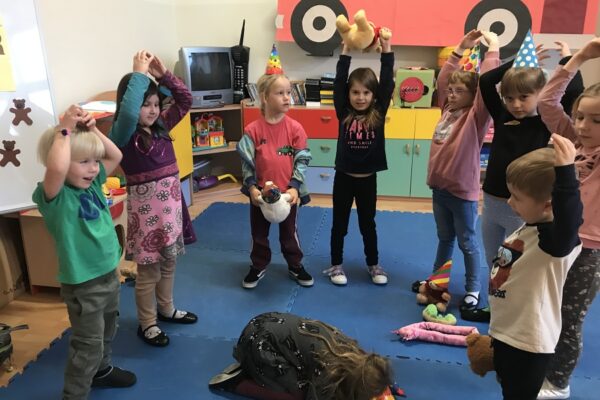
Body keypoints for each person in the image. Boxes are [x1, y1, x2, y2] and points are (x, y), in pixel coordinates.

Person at [465, 40, 584, 321]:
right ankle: (496, 306)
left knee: (519, 263)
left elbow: (573, 92)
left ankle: (516, 310)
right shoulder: (502, 114)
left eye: (524, 97)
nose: (515, 104)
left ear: (540, 94)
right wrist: (514, 63)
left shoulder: (546, 120)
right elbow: (486, 81)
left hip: (525, 207)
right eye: (509, 98)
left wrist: (569, 59)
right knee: (495, 259)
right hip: (493, 201)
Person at [33, 105, 136, 399]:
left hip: (109, 274)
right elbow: (56, 169)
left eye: (95, 161)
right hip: (84, 284)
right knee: (87, 343)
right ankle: (74, 394)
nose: (93, 168)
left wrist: (92, 131)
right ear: (63, 160)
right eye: (83, 162)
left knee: (108, 329)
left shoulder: (91, 185)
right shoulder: (56, 196)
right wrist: (64, 130)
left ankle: (101, 371)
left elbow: (115, 155)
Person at [109, 50, 197, 347]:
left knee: (169, 264)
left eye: (156, 104)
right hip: (147, 218)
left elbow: (185, 100)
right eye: (145, 104)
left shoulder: (162, 128)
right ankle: (147, 323)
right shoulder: (124, 135)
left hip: (171, 212)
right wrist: (138, 73)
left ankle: (166, 309)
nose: (152, 110)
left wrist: (163, 76)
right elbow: (128, 114)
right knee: (149, 273)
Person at [488, 134, 583, 400]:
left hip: (528, 344)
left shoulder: (554, 243)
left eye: (517, 197)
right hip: (508, 333)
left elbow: (569, 219)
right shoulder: (529, 226)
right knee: (508, 389)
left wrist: (566, 175)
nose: (510, 202)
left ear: (549, 204)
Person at [536, 37, 600, 400]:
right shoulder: (572, 141)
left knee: (569, 318)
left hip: (588, 249)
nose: (584, 125)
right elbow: (547, 102)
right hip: (557, 238)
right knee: (546, 309)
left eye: (596, 120)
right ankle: (542, 365)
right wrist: (579, 58)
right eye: (580, 117)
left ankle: (558, 383)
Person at [417, 30, 500, 309]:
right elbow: (443, 81)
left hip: (462, 193)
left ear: (474, 95)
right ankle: (436, 283)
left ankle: (473, 288)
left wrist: (493, 50)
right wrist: (460, 49)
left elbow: (487, 85)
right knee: (444, 238)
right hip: (439, 190)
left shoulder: (475, 117)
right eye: (450, 90)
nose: (451, 94)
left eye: (458, 91)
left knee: (467, 242)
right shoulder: (447, 110)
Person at [323, 33, 394, 286]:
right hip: (344, 177)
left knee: (367, 224)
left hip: (367, 180)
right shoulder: (343, 111)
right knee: (339, 224)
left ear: (374, 95)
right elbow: (339, 82)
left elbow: (387, 81)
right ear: (348, 94)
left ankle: (373, 265)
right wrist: (345, 51)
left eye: (366, 92)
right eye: (355, 92)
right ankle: (336, 265)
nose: (360, 97)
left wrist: (386, 48)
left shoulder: (379, 111)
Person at [237, 70, 313, 289]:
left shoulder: (295, 129)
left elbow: (302, 159)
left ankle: (295, 264)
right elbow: (246, 162)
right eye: (280, 93)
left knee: (289, 232)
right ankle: (258, 265)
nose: (287, 97)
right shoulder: (252, 130)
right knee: (259, 233)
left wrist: (295, 187)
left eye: (288, 92)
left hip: (287, 194)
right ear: (264, 97)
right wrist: (252, 187)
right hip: (261, 195)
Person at [209, 311, 394, 400]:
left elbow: (376, 375)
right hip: (259, 345)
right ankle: (237, 383)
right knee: (298, 396)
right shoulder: (328, 373)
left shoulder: (355, 353)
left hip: (266, 321)